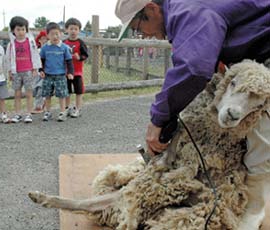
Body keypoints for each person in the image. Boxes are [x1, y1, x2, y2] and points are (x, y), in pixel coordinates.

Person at [115, 0, 270, 171]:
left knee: (258, 130)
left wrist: (158, 119)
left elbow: (194, 68)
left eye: (138, 28)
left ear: (152, 8)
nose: (142, 35)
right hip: (259, 51)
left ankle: (257, 191)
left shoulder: (188, 11)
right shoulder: (184, 9)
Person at [6, 16, 41, 123]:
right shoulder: (11, 44)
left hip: (28, 71)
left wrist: (35, 68)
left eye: (23, 29)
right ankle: (17, 114)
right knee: (17, 93)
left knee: (29, 93)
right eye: (18, 29)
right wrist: (9, 71)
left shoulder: (30, 42)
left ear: (26, 30)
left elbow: (35, 55)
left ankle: (28, 113)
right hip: (16, 72)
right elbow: (8, 58)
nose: (21, 32)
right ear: (13, 30)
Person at [40, 22, 74, 122]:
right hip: (48, 75)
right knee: (47, 94)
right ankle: (47, 112)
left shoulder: (64, 47)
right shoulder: (45, 47)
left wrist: (70, 72)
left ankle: (62, 112)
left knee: (62, 94)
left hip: (60, 75)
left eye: (57, 33)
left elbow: (69, 61)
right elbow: (41, 60)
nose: (55, 36)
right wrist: (41, 70)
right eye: (52, 34)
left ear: (61, 34)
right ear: (47, 35)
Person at [63, 18, 88, 118]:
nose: (73, 31)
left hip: (77, 72)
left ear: (79, 30)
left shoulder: (81, 43)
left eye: (76, 29)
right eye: (71, 28)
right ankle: (67, 108)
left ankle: (77, 109)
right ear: (66, 30)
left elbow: (86, 55)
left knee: (79, 91)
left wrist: (80, 57)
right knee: (67, 91)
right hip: (66, 72)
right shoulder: (63, 43)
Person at [32, 30, 47, 114]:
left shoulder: (49, 51)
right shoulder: (36, 50)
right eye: (42, 39)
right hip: (35, 73)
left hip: (44, 73)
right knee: (35, 89)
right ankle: (39, 104)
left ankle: (39, 106)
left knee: (41, 89)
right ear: (39, 40)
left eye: (46, 39)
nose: (44, 41)